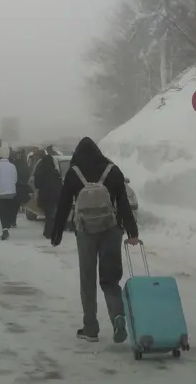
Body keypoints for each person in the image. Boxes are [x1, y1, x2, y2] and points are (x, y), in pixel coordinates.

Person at [50, 137, 139, 344]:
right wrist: (132, 232)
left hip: (86, 232)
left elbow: (64, 203)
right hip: (112, 230)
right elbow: (124, 203)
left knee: (87, 280)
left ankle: (90, 328)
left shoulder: (74, 173)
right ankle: (117, 317)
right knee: (110, 279)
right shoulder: (112, 170)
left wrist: (57, 231)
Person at [33, 149, 63, 239]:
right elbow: (60, 184)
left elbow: (36, 183)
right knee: (51, 214)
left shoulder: (40, 170)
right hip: (54, 196)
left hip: (44, 195)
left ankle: (48, 232)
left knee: (48, 214)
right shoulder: (55, 172)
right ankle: (50, 231)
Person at [0, 148, 18, 240]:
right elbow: (15, 180)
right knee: (9, 209)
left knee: (2, 211)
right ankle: (9, 222)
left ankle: (5, 229)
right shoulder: (12, 166)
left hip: (0, 193)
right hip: (11, 192)